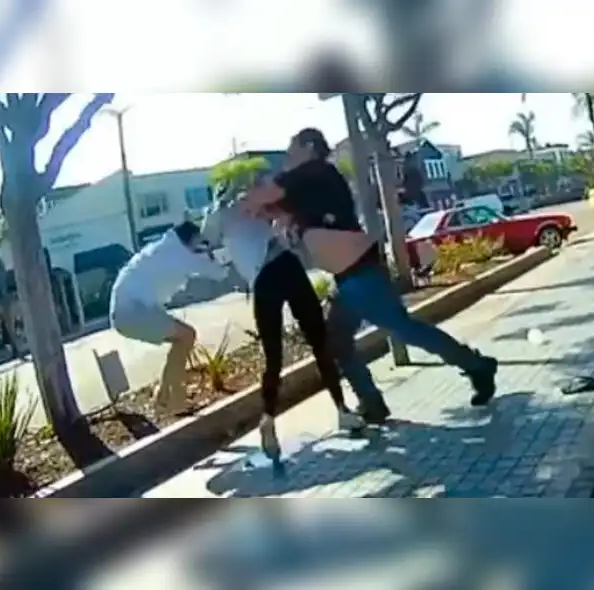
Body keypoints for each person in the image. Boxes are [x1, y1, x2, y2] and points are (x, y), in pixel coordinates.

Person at [240, 128, 498, 424]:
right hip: (350, 279)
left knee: (404, 331)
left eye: (292, 148)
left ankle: (476, 366)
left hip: (362, 275)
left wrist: (249, 200)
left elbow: (268, 194)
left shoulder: (315, 171)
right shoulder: (306, 187)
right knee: (342, 341)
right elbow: (274, 209)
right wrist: (256, 211)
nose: (287, 155)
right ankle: (374, 403)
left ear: (309, 147)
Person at [201, 184, 364, 459]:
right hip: (284, 267)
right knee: (317, 342)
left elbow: (207, 239)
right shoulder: (239, 205)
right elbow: (271, 213)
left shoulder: (222, 215)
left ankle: (270, 419)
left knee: (275, 356)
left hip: (265, 279)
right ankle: (341, 410)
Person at [110, 221, 229, 414]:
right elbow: (219, 273)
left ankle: (164, 396)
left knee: (182, 339)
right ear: (191, 239)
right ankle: (175, 401)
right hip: (133, 311)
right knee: (187, 335)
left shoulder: (165, 248)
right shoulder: (181, 255)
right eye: (200, 241)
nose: (201, 245)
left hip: (126, 311)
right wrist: (218, 254)